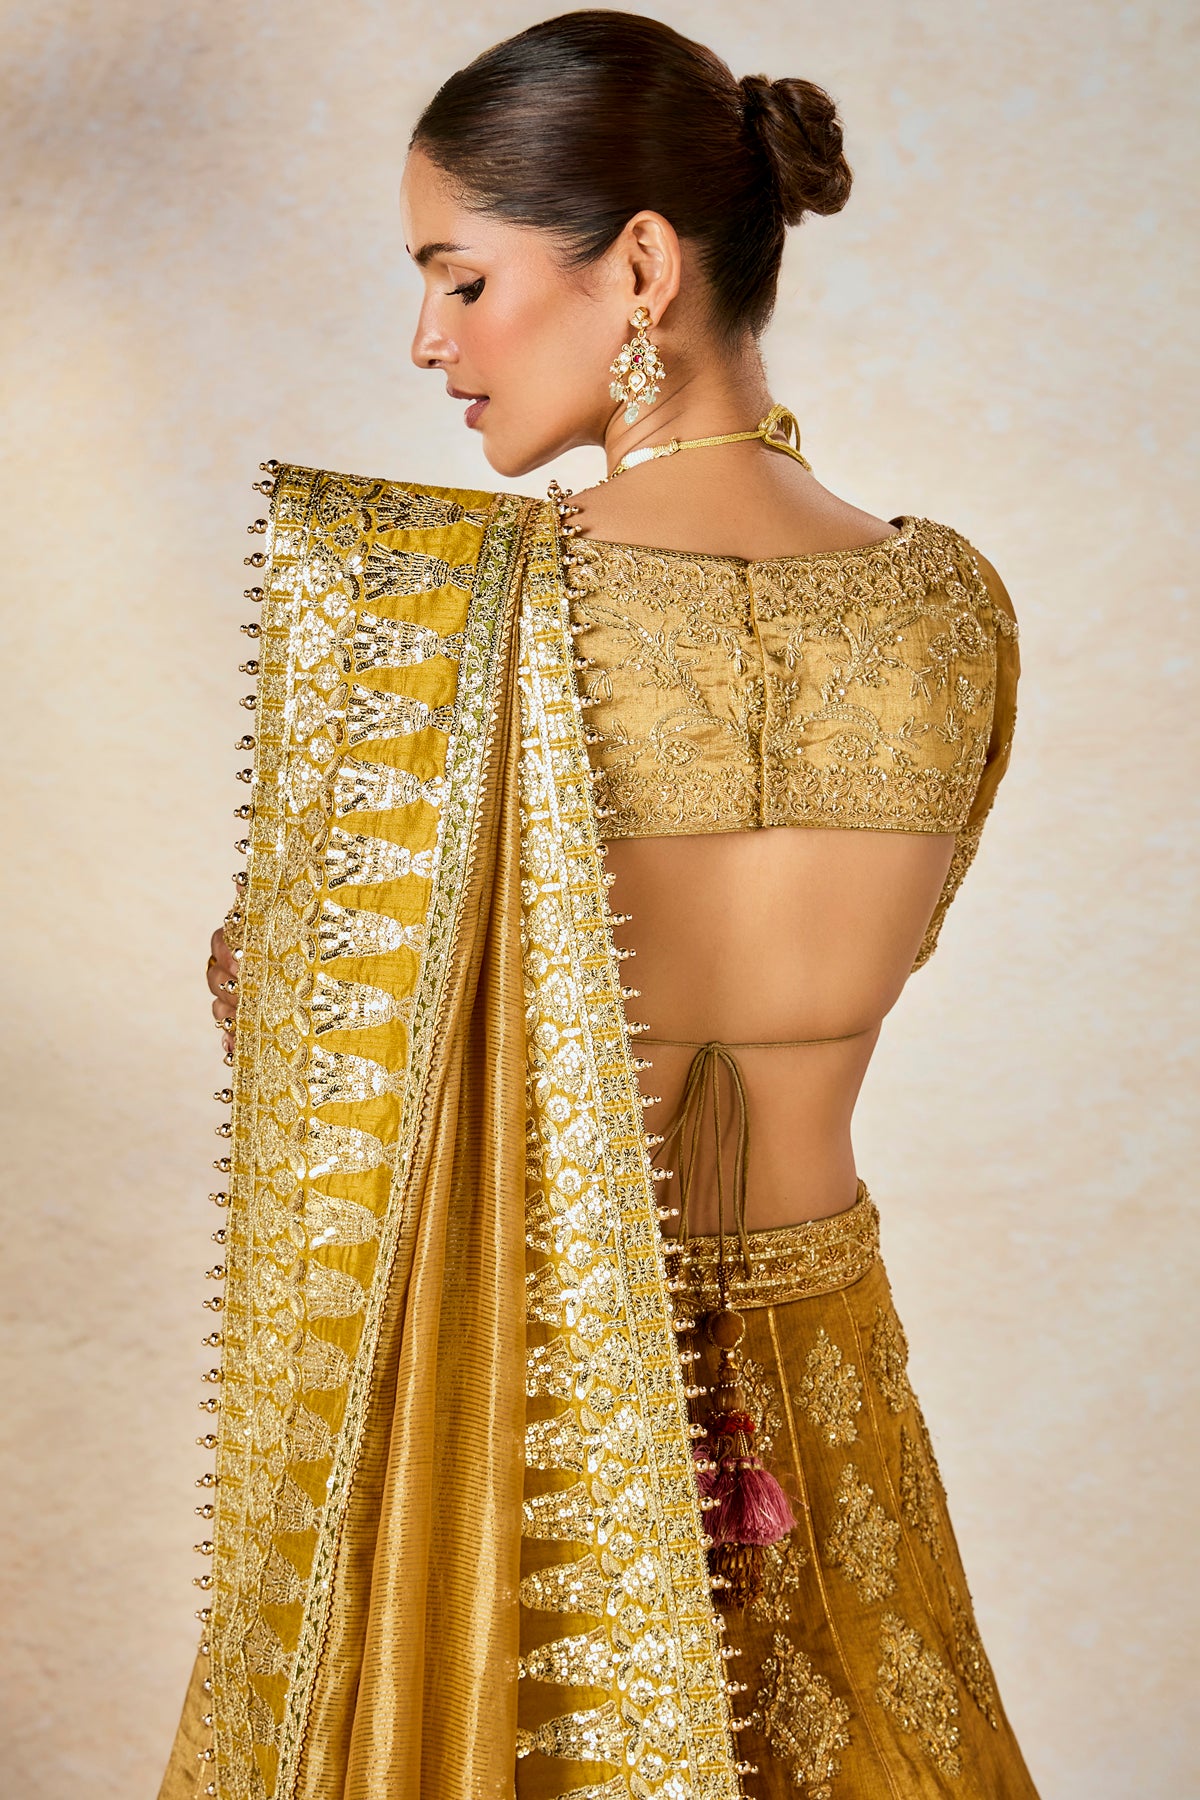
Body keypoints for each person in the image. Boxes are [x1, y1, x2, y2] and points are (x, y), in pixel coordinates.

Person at [162, 12, 1040, 1799]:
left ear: (640, 267)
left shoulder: (470, 626)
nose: (429, 341)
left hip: (527, 1418)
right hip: (825, 1376)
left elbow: (326, 1061)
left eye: (462, 278)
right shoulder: (954, 610)